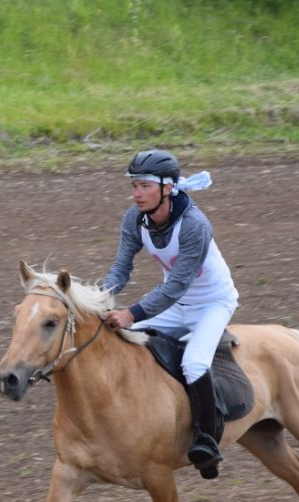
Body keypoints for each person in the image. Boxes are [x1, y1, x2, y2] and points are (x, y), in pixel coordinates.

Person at [102, 149, 238, 479]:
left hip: (212, 305)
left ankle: (207, 441)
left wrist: (132, 313)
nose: (136, 193)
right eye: (134, 185)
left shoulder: (194, 225)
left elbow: (176, 285)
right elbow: (121, 267)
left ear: (167, 187)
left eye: (144, 186)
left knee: (194, 364)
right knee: (118, 338)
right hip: (175, 306)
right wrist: (100, 298)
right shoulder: (134, 219)